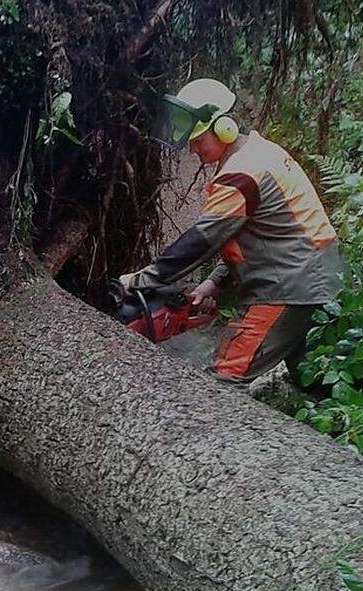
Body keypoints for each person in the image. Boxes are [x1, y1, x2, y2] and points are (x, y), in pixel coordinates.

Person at [120, 78, 346, 385]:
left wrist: (143, 279)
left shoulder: (242, 173)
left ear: (224, 128)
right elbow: (263, 233)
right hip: (316, 276)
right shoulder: (260, 153)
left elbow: (203, 239)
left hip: (288, 288)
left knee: (225, 378)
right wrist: (212, 283)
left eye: (198, 140)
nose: (192, 147)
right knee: (316, 379)